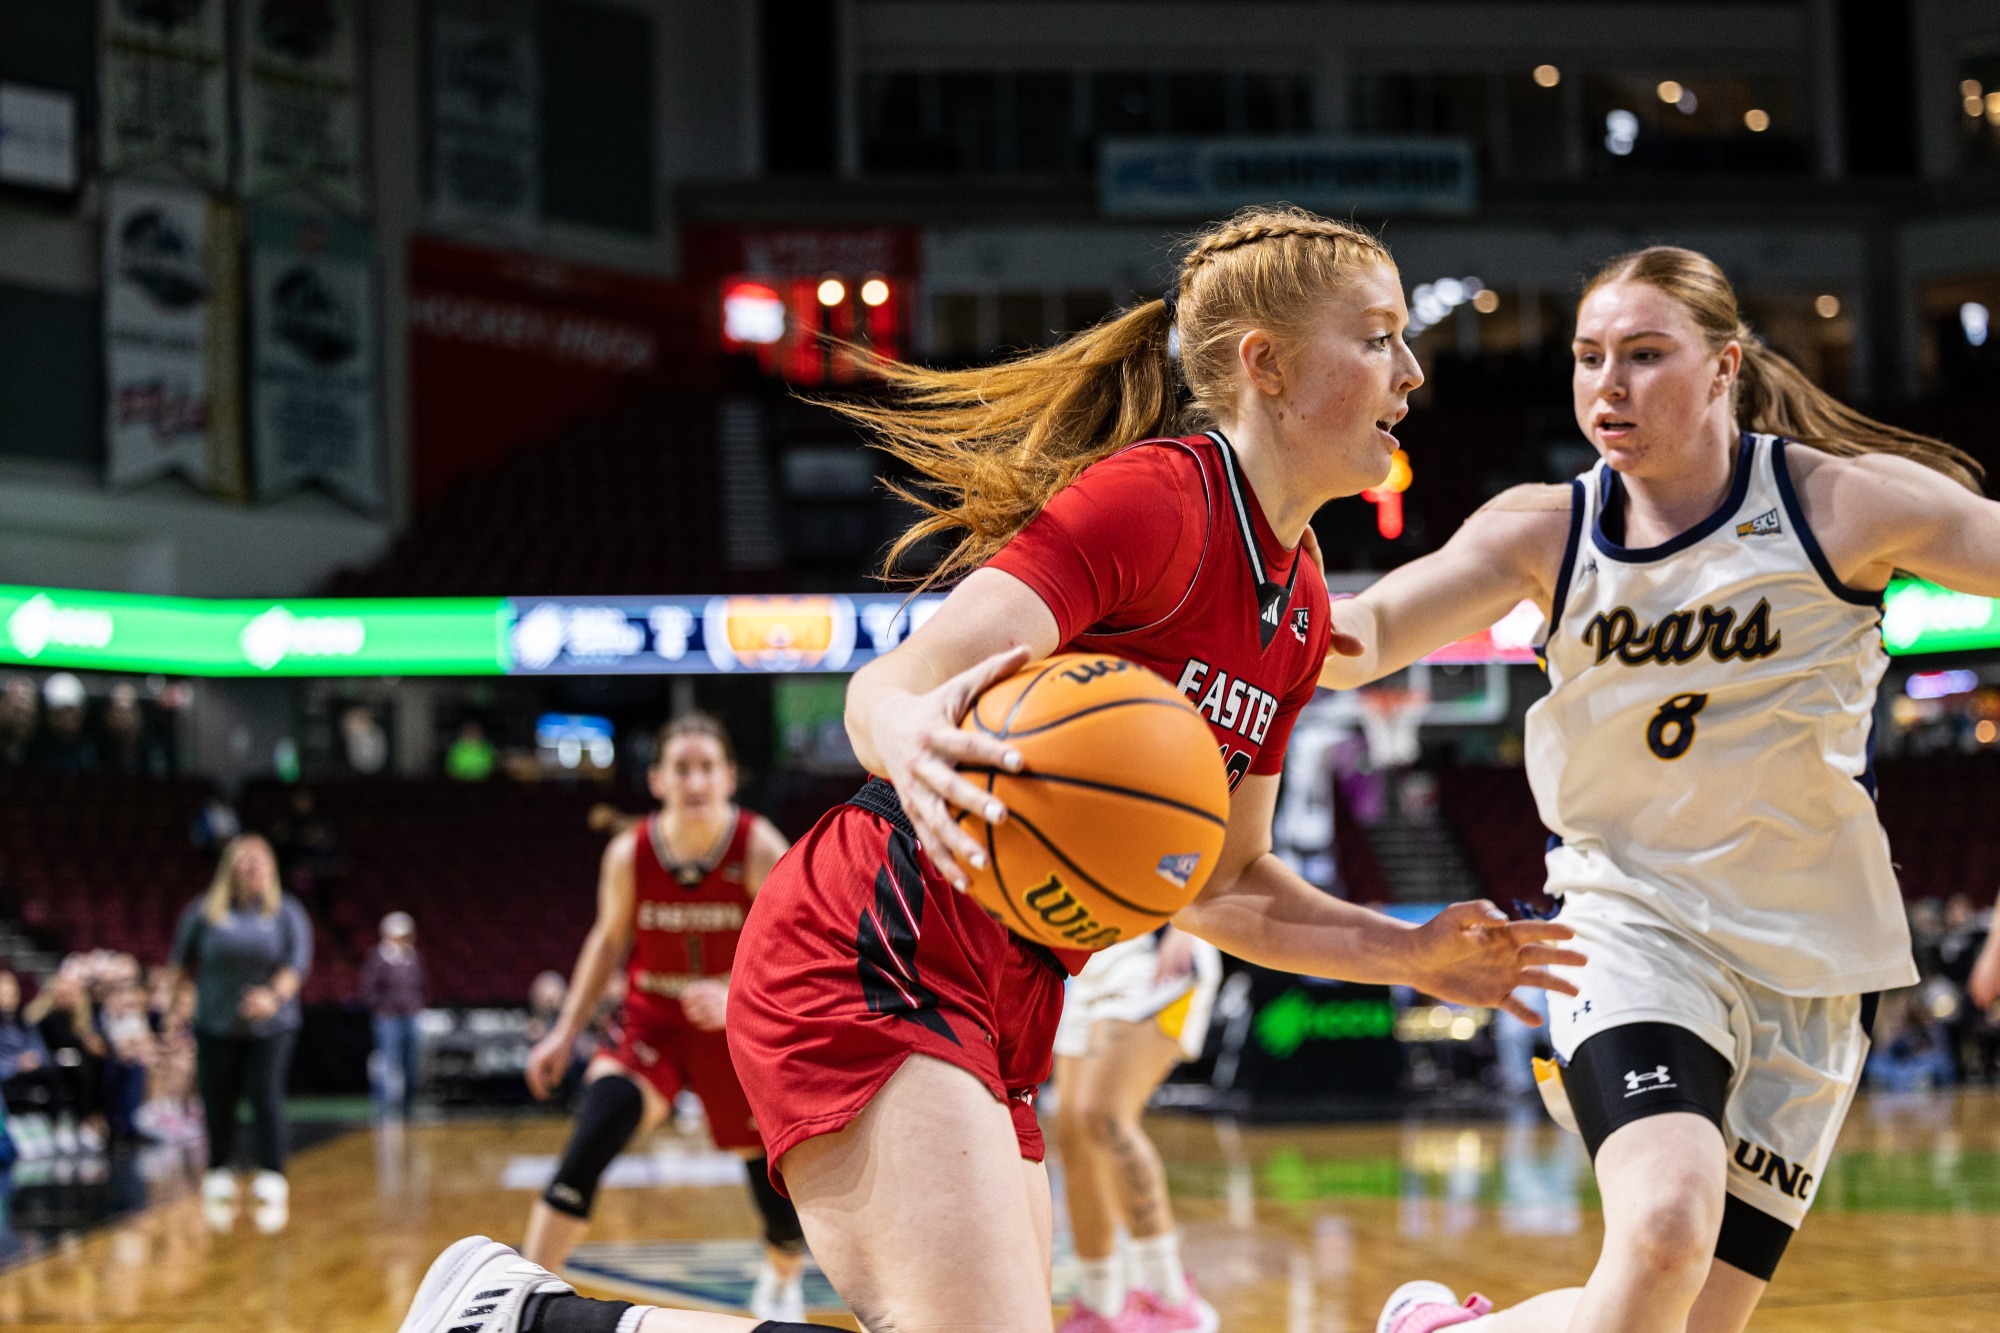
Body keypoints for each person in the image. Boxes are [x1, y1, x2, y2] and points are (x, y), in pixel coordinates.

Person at [397, 206, 1584, 1333]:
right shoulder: (1154, 505)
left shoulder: (1296, 598)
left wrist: (1408, 952)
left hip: (1008, 992)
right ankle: (527, 1313)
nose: (1411, 373)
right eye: (1378, 341)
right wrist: (908, 736)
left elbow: (1221, 882)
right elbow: (895, 683)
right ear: (1265, 364)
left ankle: (531, 1317)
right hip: (875, 936)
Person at [1330, 246, 2000, 1333]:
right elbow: (1358, 635)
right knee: (1662, 1230)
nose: (1608, 384)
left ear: (1723, 365)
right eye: (1589, 357)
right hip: (1630, 924)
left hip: (1810, 959)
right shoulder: (1542, 526)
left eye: (1644, 355)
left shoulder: (1842, 506)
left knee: (1672, 1317)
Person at [518, 715, 808, 1322]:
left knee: (776, 1199)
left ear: (730, 777)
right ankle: (521, 1301)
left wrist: (732, 990)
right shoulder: (631, 852)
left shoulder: (757, 846)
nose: (695, 779)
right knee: (598, 1128)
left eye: (707, 766)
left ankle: (781, 1279)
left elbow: (801, 949)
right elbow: (606, 943)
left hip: (738, 1033)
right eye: (682, 767)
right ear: (656, 780)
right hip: (654, 1025)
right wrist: (563, 1034)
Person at [1051, 925, 1225, 1332]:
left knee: (1104, 1116)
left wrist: (1188, 922)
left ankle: (1173, 1302)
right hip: (1091, 957)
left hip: (1157, 945)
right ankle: (1102, 1305)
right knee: (1073, 1137)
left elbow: (1213, 858)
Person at [169, 834, 313, 1234]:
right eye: (247, 862)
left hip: (273, 1025)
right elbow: (179, 965)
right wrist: (181, 1001)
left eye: (261, 862)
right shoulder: (203, 912)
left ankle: (271, 1173)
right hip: (215, 1023)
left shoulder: (287, 912)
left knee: (265, 1093)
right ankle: (218, 1169)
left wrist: (271, 997)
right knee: (217, 1099)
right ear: (231, 868)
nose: (255, 869)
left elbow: (296, 966)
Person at [359, 911, 427, 1118]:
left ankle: (408, 1106)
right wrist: (381, 1008)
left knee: (411, 1062)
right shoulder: (377, 957)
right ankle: (383, 1107)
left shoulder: (413, 957)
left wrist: (418, 1006)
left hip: (410, 1016)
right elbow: (368, 989)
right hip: (387, 1018)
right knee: (387, 1063)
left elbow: (422, 985)